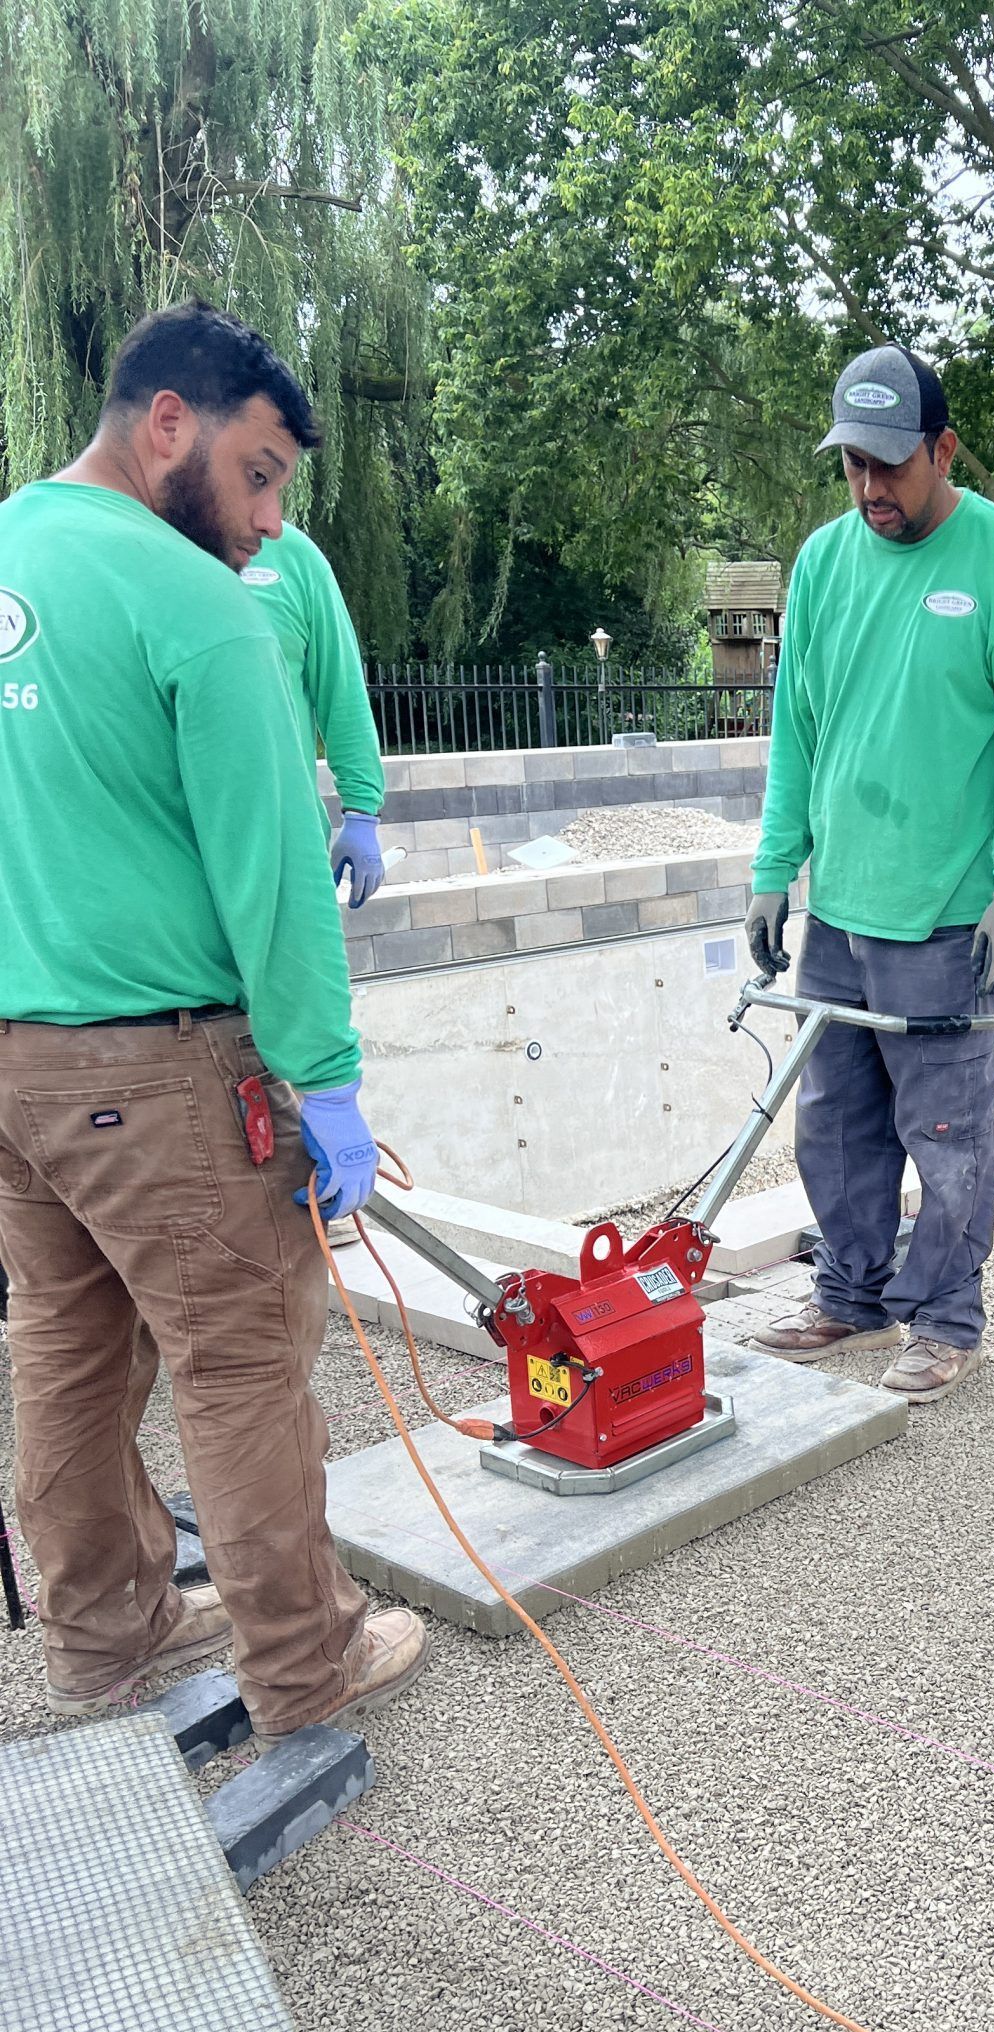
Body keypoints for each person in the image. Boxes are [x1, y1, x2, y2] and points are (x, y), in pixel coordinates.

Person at [0, 301, 427, 1733]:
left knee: (64, 1346)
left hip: (14, 1070)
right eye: (257, 475)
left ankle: (102, 1646)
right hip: (156, 1069)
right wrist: (325, 1079)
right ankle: (308, 1667)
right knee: (241, 1361)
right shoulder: (194, 604)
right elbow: (277, 882)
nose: (265, 525)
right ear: (168, 423)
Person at [745, 345, 994, 1403]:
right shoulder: (825, 564)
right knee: (833, 1124)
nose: (872, 488)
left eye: (892, 464)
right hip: (840, 908)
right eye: (854, 467)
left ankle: (944, 1318)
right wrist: (774, 867)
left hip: (946, 917)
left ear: (943, 448)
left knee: (946, 1132)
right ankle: (849, 1294)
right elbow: (795, 730)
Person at [241, 520, 389, 907]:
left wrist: (361, 812)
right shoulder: (143, 551)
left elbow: (341, 692)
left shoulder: (294, 556)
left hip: (285, 842)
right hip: (174, 847)